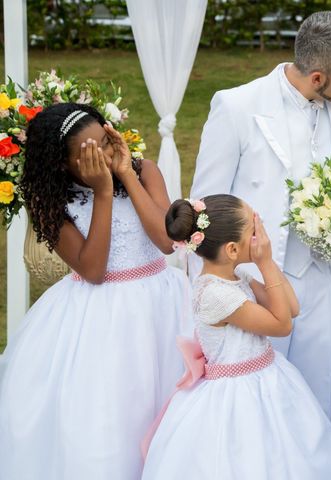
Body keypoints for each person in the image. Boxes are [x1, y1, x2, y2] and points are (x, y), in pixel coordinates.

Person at [0, 103, 189, 480]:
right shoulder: (52, 204)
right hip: (101, 319)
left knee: (172, 406)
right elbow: (93, 270)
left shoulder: (144, 171)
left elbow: (168, 243)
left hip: (163, 306)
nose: (102, 156)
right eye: (88, 155)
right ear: (62, 165)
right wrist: (103, 193)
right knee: (112, 416)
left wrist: (125, 176)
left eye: (105, 142)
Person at [189, 11, 331, 416]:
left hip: (323, 279)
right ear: (318, 77)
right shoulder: (236, 106)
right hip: (251, 284)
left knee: (316, 399)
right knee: (257, 404)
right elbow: (205, 206)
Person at [141, 194, 331, 479]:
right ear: (232, 249)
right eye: (254, 231)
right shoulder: (216, 295)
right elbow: (282, 325)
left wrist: (263, 265)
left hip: (269, 378)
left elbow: (291, 309)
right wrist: (266, 262)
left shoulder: (238, 274)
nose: (261, 235)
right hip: (237, 396)